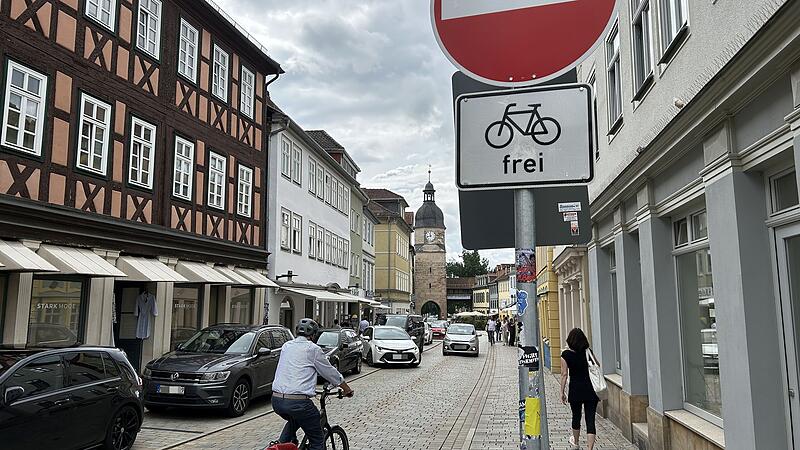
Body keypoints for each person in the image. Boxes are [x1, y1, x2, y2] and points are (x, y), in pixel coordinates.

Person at [272, 319, 354, 450]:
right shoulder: (313, 349)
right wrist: (346, 389)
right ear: (314, 335)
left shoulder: (286, 346)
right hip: (298, 403)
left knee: (295, 420)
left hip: (276, 400)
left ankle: (281, 445)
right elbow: (330, 372)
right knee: (317, 440)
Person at [560, 328, 600, 450]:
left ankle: (576, 443)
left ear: (570, 340)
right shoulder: (588, 352)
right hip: (590, 390)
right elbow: (597, 365)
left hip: (575, 390)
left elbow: (564, 374)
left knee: (576, 416)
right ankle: (590, 448)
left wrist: (562, 392)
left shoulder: (565, 355)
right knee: (590, 419)